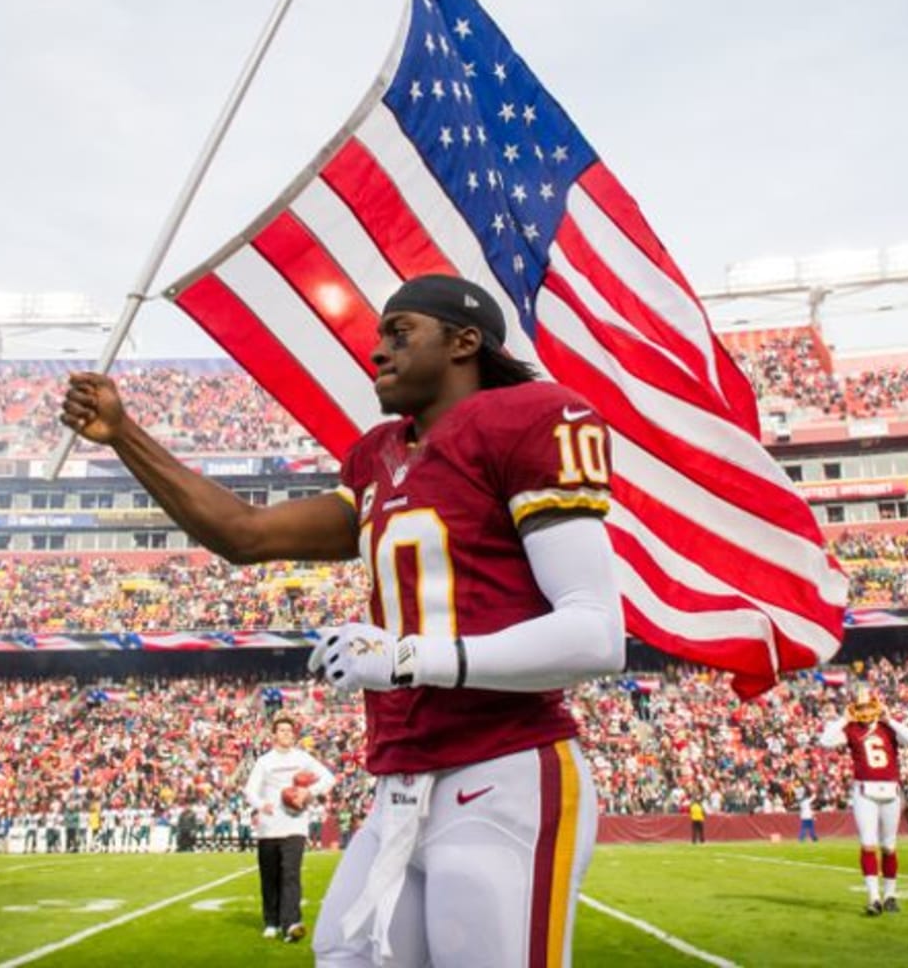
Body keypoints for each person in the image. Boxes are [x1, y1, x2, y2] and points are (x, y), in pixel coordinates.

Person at [61, 273, 626, 967]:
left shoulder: (527, 420)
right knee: (346, 954)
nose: (377, 352)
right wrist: (124, 436)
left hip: (504, 765)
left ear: (465, 342)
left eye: (400, 333)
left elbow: (597, 633)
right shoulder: (377, 459)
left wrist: (410, 658)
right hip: (401, 782)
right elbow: (246, 534)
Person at [820, 687, 908, 917]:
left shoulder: (888, 727)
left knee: (889, 846)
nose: (865, 711)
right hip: (864, 790)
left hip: (891, 791)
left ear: (876, 705)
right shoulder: (851, 729)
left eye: (868, 706)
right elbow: (824, 741)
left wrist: (891, 720)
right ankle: (874, 898)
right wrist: (842, 719)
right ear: (854, 709)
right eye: (861, 706)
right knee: (868, 844)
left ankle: (891, 896)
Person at [244, 714, 335, 942]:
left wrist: (309, 792)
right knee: (270, 877)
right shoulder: (264, 761)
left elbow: (328, 778)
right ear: (273, 735)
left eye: (290, 730)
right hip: (269, 826)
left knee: (291, 875)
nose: (287, 734)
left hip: (295, 824)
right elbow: (249, 790)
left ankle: (292, 923)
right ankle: (272, 922)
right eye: (282, 730)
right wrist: (261, 804)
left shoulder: (302, 758)